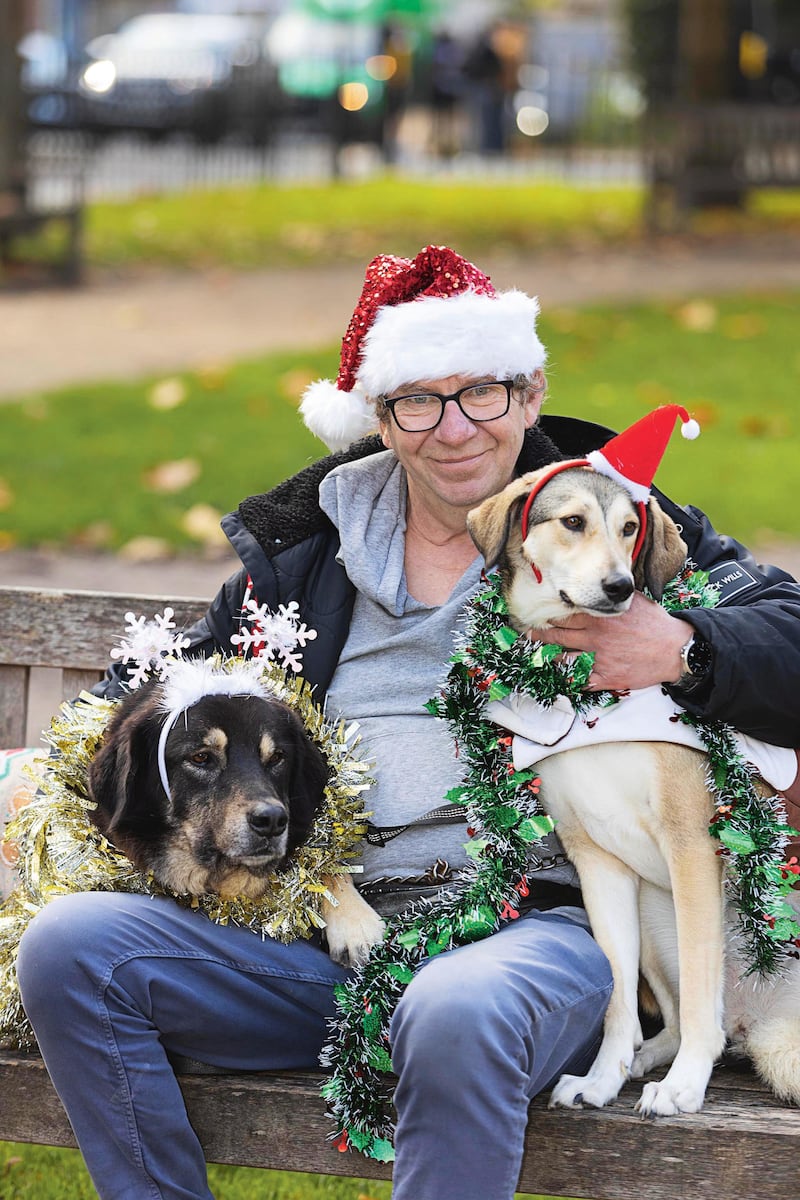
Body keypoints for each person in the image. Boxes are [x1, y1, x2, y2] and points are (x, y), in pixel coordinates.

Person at [16, 244, 800, 1200]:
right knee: (73, 949)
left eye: (483, 393)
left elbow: (786, 632)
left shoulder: (605, 515)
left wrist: (683, 647)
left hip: (534, 936)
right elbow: (153, 688)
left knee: (454, 1006)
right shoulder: (304, 553)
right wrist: (44, 773)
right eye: (418, 401)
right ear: (380, 418)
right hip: (327, 942)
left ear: (530, 391)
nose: (454, 428)